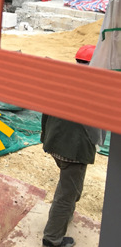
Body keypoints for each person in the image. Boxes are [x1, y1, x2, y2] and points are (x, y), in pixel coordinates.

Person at [41, 45, 102, 247]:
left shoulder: (62, 78)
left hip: (55, 143)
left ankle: (64, 218)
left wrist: (45, 137)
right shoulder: (94, 87)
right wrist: (95, 144)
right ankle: (52, 239)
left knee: (71, 187)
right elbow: (96, 126)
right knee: (66, 195)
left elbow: (45, 110)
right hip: (73, 151)